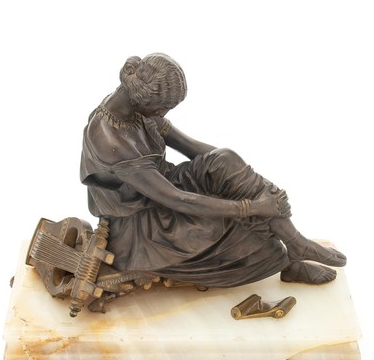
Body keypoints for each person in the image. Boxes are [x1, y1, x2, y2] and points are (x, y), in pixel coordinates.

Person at [80, 53, 346, 288]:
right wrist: (252, 206)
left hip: (165, 185)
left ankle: (297, 243)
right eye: (164, 107)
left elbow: (193, 148)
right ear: (144, 99)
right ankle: (288, 261)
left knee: (225, 160)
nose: (165, 112)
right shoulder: (111, 142)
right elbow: (176, 199)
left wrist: (246, 177)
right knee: (227, 223)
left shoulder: (137, 109)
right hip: (143, 221)